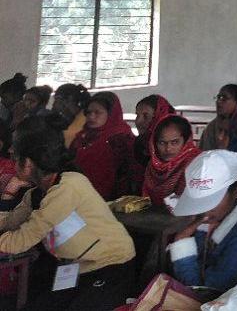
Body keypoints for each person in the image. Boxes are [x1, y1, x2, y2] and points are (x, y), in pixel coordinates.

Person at [0, 115, 137, 310]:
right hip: (76, 269)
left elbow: (21, 240)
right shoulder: (35, 194)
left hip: (111, 267)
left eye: (15, 155)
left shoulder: (68, 187)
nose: (10, 155)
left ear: (28, 163)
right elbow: (11, 220)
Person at [167, 149, 237, 306]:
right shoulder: (211, 218)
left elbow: (204, 293)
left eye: (212, 200)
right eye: (200, 202)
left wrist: (182, 241)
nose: (205, 209)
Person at [69, 91, 136, 200]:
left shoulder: (122, 138)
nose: (91, 117)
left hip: (110, 201)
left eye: (97, 112)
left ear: (111, 114)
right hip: (78, 196)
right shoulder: (83, 136)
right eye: (89, 112)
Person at [141, 114, 199, 206]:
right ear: (154, 143)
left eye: (175, 142)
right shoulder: (152, 167)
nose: (168, 149)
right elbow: (146, 201)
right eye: (162, 143)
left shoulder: (196, 163)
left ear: (186, 141)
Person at [132, 94, 175, 181]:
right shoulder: (139, 143)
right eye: (137, 115)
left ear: (160, 117)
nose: (138, 121)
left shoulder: (173, 147)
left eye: (146, 116)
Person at [51, 83, 91, 147]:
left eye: (56, 99)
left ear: (70, 99)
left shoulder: (85, 118)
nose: (54, 103)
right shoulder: (66, 117)